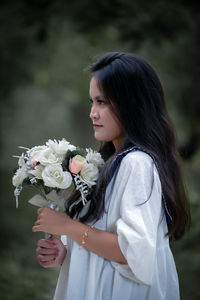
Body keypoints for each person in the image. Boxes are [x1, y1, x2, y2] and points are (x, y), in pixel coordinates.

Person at [32, 52, 190, 300]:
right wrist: (66, 251)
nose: (93, 113)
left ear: (132, 104)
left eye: (102, 102)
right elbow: (103, 239)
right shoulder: (112, 162)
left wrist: (66, 226)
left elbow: (133, 253)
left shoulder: (137, 163)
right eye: (92, 102)